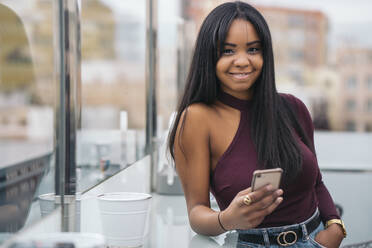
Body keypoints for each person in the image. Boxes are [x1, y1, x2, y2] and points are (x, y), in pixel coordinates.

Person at [168, 1, 346, 247]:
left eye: (253, 49)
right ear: (209, 56)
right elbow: (197, 212)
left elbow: (316, 182)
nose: (242, 61)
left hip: (316, 239)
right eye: (228, 51)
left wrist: (335, 226)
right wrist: (227, 219)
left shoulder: (293, 107)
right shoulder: (197, 118)